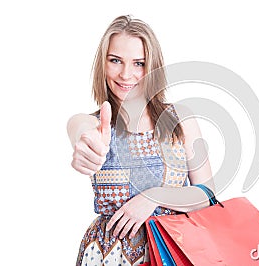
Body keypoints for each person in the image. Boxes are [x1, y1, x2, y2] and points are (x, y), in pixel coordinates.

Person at [67, 15, 215, 266]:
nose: (126, 74)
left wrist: (154, 197)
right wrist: (86, 143)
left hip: (176, 252)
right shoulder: (92, 123)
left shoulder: (181, 119)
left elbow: (207, 194)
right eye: (115, 60)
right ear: (102, 64)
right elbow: (80, 130)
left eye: (139, 63)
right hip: (107, 256)